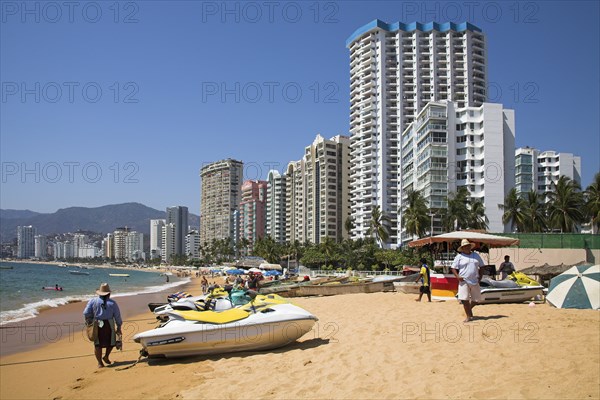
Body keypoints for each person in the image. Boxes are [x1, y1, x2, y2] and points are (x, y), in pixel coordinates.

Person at [83, 283, 122, 368]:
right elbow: (117, 316)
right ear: (109, 293)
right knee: (111, 343)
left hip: (97, 324)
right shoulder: (112, 303)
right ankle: (106, 356)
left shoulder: (92, 301)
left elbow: (86, 313)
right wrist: (119, 326)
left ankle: (100, 362)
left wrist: (89, 322)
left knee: (98, 345)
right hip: (109, 324)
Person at [451, 239, 484, 323]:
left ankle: (468, 309)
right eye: (465, 246)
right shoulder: (459, 257)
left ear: (470, 246)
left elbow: (482, 266)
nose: (467, 247)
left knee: (476, 300)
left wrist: (480, 277)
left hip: (475, 280)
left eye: (468, 246)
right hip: (464, 280)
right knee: (464, 299)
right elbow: (453, 268)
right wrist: (458, 276)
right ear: (462, 248)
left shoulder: (476, 255)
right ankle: (469, 316)